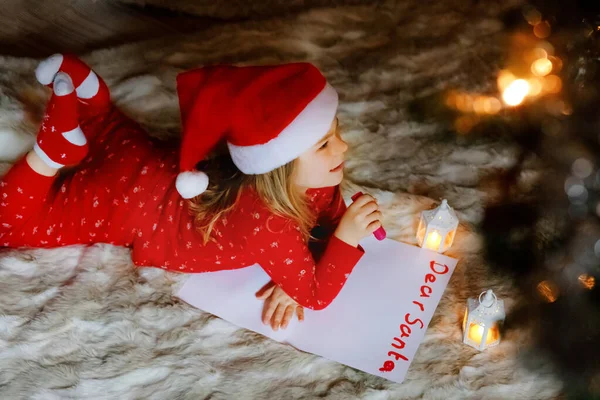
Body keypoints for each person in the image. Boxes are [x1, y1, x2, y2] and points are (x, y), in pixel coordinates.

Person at [0, 54, 383, 331]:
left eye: (335, 133)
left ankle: (89, 99)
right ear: (280, 167)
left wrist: (310, 260)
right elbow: (316, 295)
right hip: (127, 205)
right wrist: (343, 240)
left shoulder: (292, 185)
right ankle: (49, 155)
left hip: (152, 163)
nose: (343, 148)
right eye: (324, 145)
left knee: (114, 132)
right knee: (10, 227)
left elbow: (324, 211)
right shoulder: (269, 223)